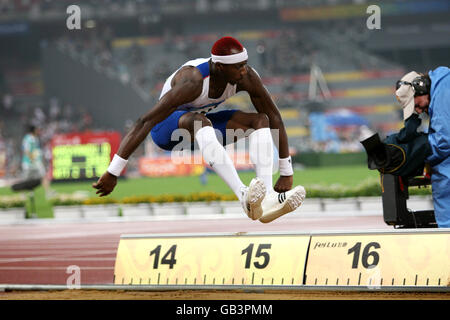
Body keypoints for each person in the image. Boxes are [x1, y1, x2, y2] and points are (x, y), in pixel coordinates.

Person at [93, 36, 306, 223]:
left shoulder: (247, 77)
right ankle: (243, 196)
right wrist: (113, 171)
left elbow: (274, 117)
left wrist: (286, 170)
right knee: (199, 121)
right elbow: (144, 121)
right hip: (166, 131)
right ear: (220, 67)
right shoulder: (192, 80)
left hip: (203, 131)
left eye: (245, 64)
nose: (244, 72)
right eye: (238, 67)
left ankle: (267, 198)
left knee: (260, 120)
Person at [394, 68, 450, 228]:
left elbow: (444, 141)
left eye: (416, 105)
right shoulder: (442, 86)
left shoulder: (442, 93)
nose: (418, 111)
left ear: (421, 88)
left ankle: (447, 237)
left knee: (444, 173)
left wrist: (413, 154)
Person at [21, 124, 51, 198]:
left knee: (43, 176)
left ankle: (48, 192)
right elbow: (26, 151)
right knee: (25, 179)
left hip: (36, 162)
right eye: (37, 130)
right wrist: (32, 158)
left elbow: (36, 151)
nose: (38, 131)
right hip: (28, 162)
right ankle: (22, 194)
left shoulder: (36, 138)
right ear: (33, 130)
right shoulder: (27, 139)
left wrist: (38, 158)